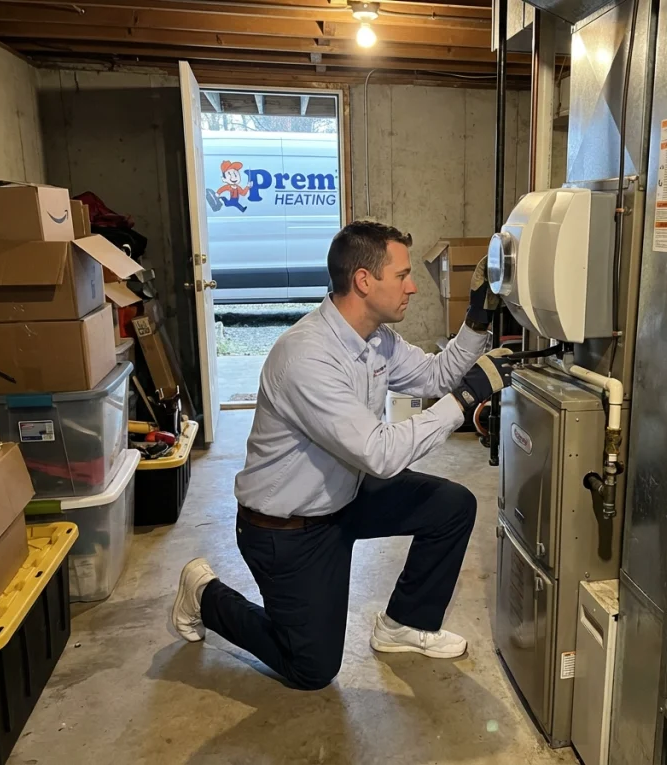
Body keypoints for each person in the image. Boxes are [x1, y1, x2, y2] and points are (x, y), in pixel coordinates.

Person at [171, 221, 514, 691]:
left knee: (452, 506)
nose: (412, 286)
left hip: (343, 497)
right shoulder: (306, 358)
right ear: (364, 281)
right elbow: (381, 453)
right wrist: (463, 403)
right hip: (287, 530)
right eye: (403, 275)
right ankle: (204, 593)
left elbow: (435, 376)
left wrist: (477, 321)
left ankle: (402, 625)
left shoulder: (375, 338)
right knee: (311, 670)